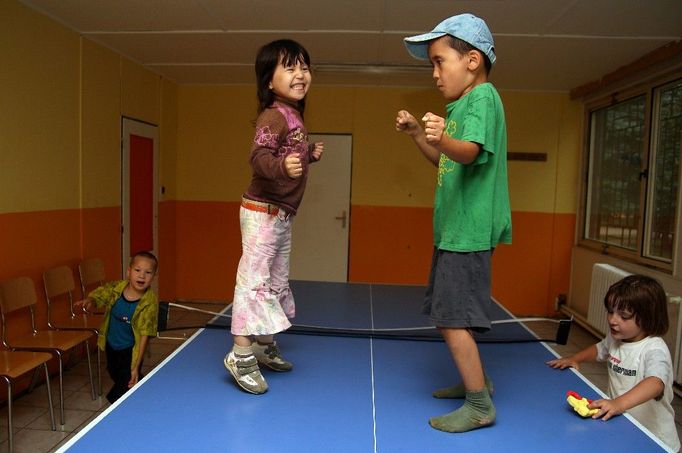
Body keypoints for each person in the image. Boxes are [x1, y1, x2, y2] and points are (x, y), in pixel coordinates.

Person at [395, 13, 511, 433]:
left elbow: (465, 150)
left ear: (473, 60)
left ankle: (480, 405)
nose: (435, 72)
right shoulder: (462, 104)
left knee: (451, 318)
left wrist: (443, 137)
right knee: (453, 312)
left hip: (468, 230)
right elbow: (448, 159)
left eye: (440, 61)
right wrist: (419, 137)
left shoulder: (482, 99)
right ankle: (474, 382)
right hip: (454, 230)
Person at [224, 39, 324, 395]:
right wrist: (283, 165)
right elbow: (259, 158)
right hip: (261, 212)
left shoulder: (293, 114)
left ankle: (265, 346)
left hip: (280, 215)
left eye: (304, 67)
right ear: (269, 80)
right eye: (290, 67)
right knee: (253, 282)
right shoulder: (273, 114)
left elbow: (286, 155)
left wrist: (307, 155)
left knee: (275, 279)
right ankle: (241, 353)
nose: (300, 74)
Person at [547, 275, 680, 451]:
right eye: (611, 311)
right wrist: (575, 359)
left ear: (648, 317)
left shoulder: (654, 349)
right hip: (625, 427)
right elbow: (600, 349)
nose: (613, 320)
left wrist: (618, 404)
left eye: (623, 316)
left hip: (657, 438)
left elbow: (655, 383)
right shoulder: (616, 338)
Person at [75, 251, 159, 403]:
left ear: (153, 277)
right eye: (137, 270)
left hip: (130, 348)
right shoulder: (116, 289)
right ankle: (144, 386)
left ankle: (116, 401)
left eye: (148, 272)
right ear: (129, 271)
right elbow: (102, 294)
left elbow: (145, 335)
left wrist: (136, 366)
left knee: (124, 383)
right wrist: (91, 300)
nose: (142, 276)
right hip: (111, 344)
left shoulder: (149, 303)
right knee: (114, 372)